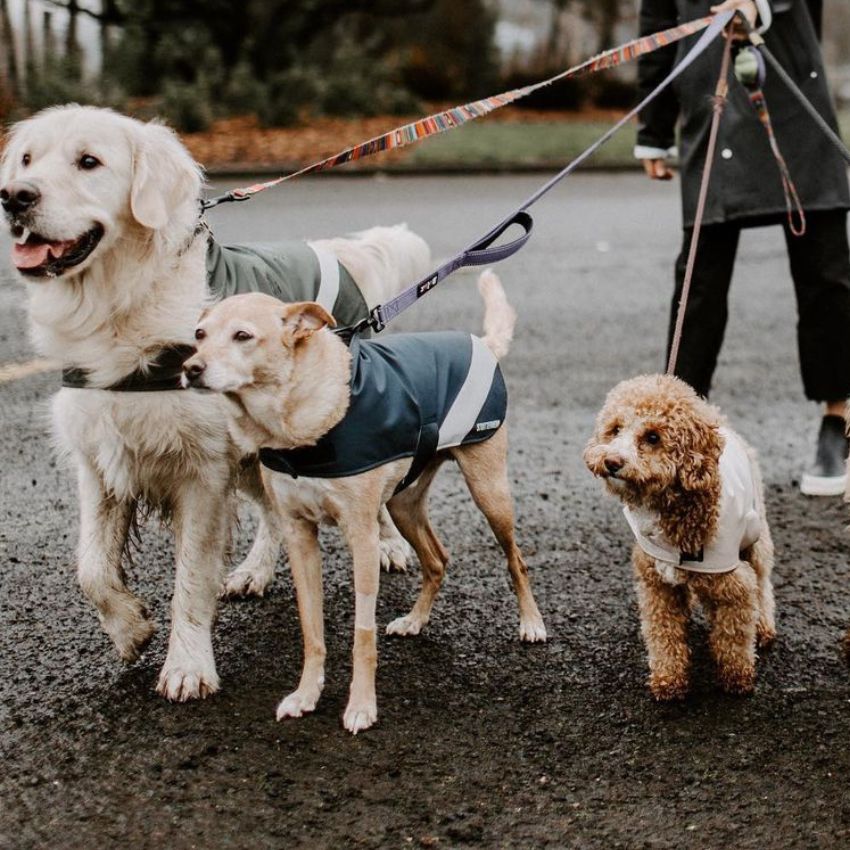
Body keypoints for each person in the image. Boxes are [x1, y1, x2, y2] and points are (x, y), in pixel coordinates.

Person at [635, 0, 850, 495]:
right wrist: (653, 125)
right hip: (710, 103)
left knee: (825, 273)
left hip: (793, 91)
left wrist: (758, 4)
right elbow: (659, 24)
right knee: (698, 280)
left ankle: (837, 421)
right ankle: (674, 431)